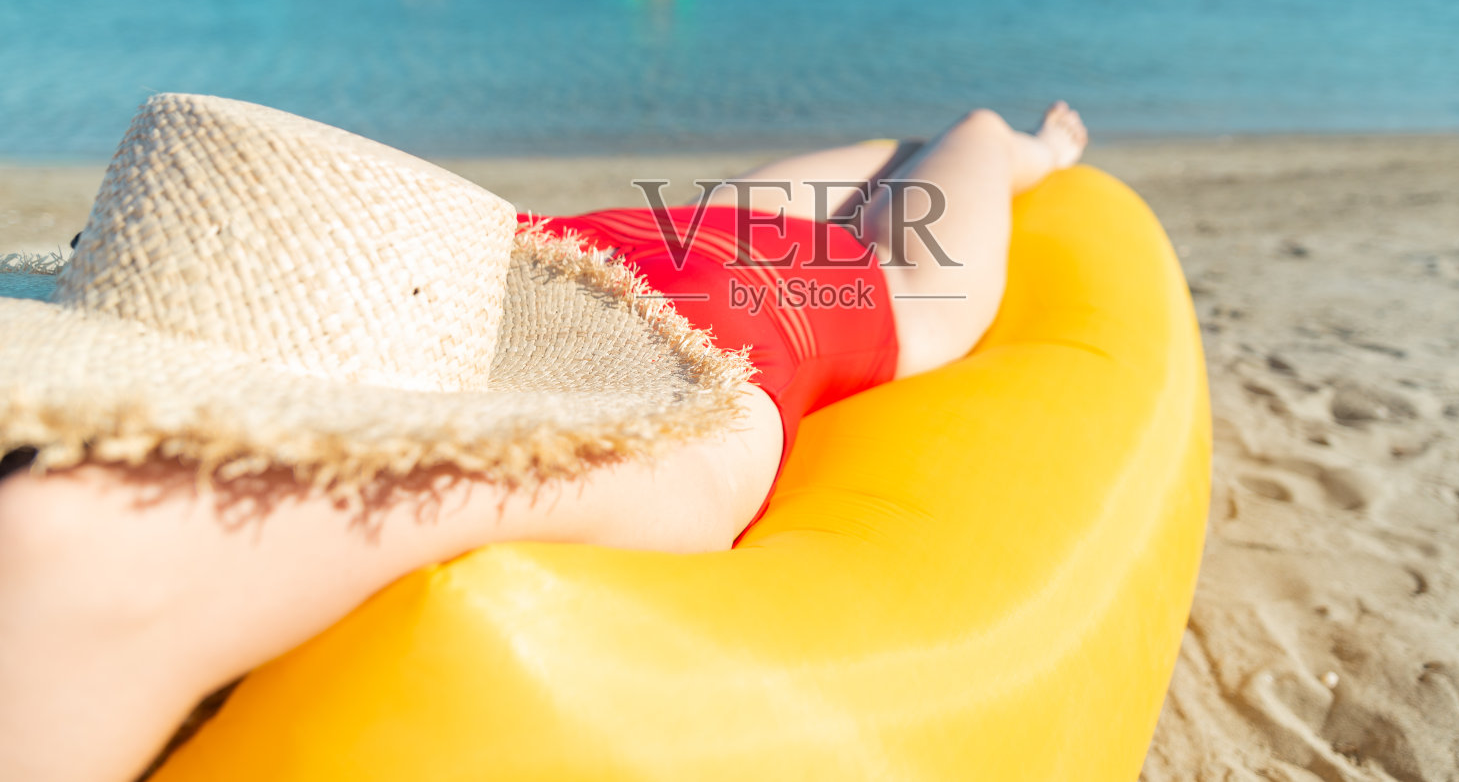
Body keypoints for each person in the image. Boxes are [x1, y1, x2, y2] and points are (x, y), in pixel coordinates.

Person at [0, 96, 1087, 782]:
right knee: (881, 174)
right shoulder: (411, 322)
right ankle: (995, 140)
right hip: (565, 261)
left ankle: (1026, 141)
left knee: (948, 179)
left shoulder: (651, 443)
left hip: (705, 304)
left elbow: (79, 562)